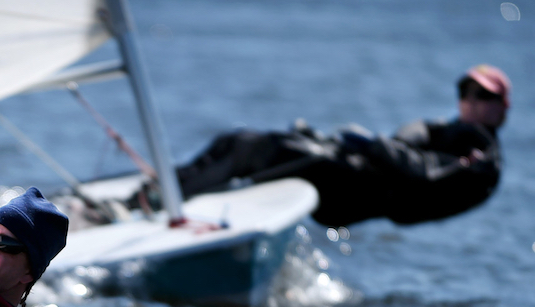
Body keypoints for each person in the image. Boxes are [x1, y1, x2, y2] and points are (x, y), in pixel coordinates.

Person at [170, 65, 511, 227]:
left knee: (246, 149)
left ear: (502, 108)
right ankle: (167, 190)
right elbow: (412, 142)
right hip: (350, 177)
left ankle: (166, 201)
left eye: (483, 96)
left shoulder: (484, 161)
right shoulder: (452, 133)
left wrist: (373, 144)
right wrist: (380, 145)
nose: (471, 102)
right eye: (465, 94)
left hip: (353, 193)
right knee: (238, 140)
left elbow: (425, 173)